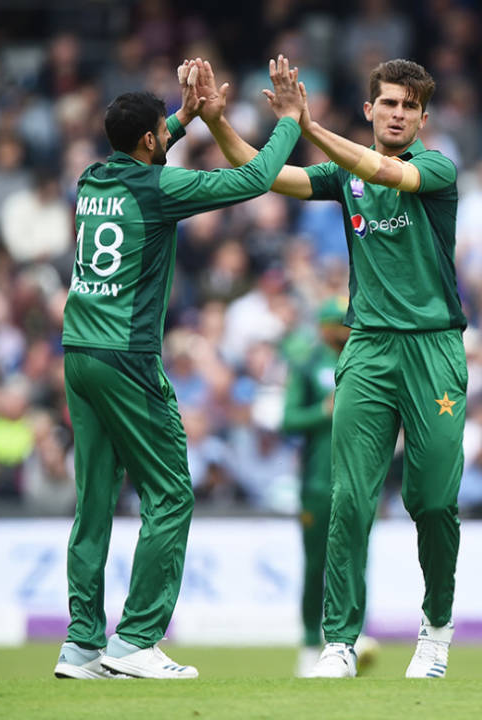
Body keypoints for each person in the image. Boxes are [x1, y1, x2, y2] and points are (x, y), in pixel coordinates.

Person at [195, 56, 466, 678]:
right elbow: (263, 175)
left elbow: (381, 170)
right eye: (387, 103)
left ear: (423, 118)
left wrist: (306, 124)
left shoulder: (435, 167)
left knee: (432, 503)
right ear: (369, 109)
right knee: (350, 500)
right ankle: (339, 642)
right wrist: (216, 123)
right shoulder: (344, 176)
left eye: (409, 106)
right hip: (367, 347)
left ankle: (436, 629)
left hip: (434, 350)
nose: (397, 114)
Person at [54, 58, 305, 680]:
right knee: (170, 495)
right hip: (127, 358)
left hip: (78, 352)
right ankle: (136, 640)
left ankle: (82, 645)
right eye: (163, 134)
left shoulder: (91, 179)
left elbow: (147, 141)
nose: (168, 139)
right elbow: (255, 179)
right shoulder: (159, 189)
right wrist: (290, 124)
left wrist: (185, 116)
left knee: (93, 503)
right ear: (148, 142)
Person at [280, 297, 349, 676]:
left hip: (354, 479)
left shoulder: (362, 357)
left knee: (354, 562)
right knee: (315, 565)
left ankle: (348, 639)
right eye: (336, 324)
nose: (341, 331)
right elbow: (287, 419)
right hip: (317, 483)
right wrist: (323, 412)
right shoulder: (308, 363)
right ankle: (310, 639)